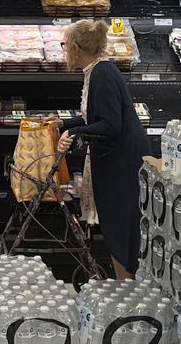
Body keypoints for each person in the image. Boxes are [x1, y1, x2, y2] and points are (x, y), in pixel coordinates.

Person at [57, 19, 148, 279]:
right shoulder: (97, 71)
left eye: (65, 45)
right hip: (116, 160)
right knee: (115, 222)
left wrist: (73, 133)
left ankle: (127, 287)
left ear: (75, 47)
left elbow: (110, 125)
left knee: (118, 223)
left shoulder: (103, 74)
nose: (64, 51)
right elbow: (93, 119)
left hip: (121, 163)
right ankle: (124, 284)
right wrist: (62, 122)